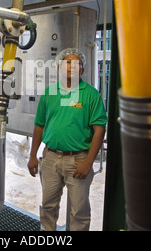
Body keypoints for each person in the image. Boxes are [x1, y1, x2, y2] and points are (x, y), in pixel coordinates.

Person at [27, 47, 107, 231]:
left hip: (78, 160)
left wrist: (88, 163)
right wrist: (33, 156)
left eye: (76, 63)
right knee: (47, 206)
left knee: (79, 212)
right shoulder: (49, 93)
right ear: (59, 68)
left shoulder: (91, 94)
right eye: (67, 62)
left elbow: (99, 130)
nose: (71, 66)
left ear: (82, 70)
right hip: (50, 159)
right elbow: (39, 125)